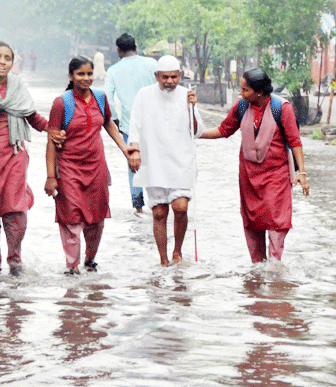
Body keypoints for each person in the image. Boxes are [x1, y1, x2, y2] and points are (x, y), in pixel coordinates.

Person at [0, 41, 64, 276]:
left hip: (13, 154)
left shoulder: (18, 87)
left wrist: (52, 130)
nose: (2, 62)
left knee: (15, 209)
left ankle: (15, 260)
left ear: (12, 63)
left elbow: (32, 117)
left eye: (7, 58)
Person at [200, 67, 309, 263]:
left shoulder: (282, 108)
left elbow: (294, 141)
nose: (241, 93)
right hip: (249, 175)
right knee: (252, 222)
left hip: (277, 174)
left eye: (245, 90)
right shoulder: (241, 106)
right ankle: (257, 270)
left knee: (277, 222)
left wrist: (301, 172)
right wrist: (196, 133)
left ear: (259, 92)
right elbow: (224, 130)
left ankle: (275, 268)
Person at [45, 56, 133, 275]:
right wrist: (50, 176)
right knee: (71, 217)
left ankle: (90, 260)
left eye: (89, 74)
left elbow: (109, 124)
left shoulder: (101, 98)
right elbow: (51, 141)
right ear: (71, 76)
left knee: (97, 218)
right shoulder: (61, 103)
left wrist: (125, 148)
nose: (86, 78)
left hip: (96, 168)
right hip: (68, 168)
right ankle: (72, 266)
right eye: (80, 74)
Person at [127, 55, 204, 267]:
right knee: (159, 212)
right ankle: (163, 260)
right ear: (156, 76)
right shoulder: (144, 95)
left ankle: (177, 251)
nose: (170, 81)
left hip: (181, 160)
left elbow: (196, 132)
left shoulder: (187, 95)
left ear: (180, 75)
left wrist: (192, 108)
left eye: (174, 77)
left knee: (180, 207)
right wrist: (134, 151)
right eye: (165, 77)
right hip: (154, 159)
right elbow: (135, 124)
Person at [104, 33, 157, 214]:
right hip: (155, 123)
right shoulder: (152, 64)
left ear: (119, 50)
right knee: (155, 162)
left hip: (128, 125)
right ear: (136, 46)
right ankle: (158, 203)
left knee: (133, 165)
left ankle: (138, 207)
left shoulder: (113, 71)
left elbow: (108, 101)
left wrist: (116, 121)